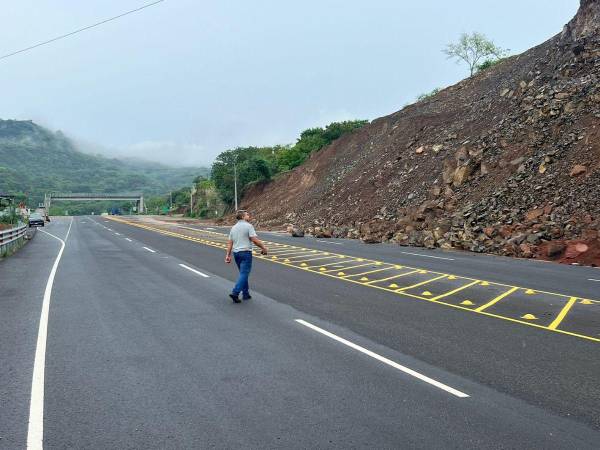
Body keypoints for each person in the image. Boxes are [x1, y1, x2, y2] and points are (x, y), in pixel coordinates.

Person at [225, 210, 268, 303]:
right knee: (244, 274)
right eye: (247, 214)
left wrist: (228, 255)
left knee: (242, 274)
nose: (249, 216)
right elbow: (254, 240)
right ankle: (235, 293)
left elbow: (230, 243)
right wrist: (264, 248)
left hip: (236, 254)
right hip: (245, 253)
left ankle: (246, 294)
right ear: (243, 217)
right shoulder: (249, 226)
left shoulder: (233, 228)